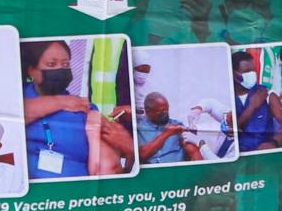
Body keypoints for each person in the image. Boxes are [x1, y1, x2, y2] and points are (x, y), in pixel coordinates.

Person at [22, 38, 131, 178]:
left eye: (65, 64)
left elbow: (108, 169)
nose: (60, 70)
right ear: (31, 71)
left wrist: (93, 135)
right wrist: (62, 102)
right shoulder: (18, 96)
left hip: (77, 196)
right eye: (51, 64)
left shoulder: (85, 109)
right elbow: (12, 115)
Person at [231, 48, 280, 153]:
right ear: (234, 75)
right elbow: (231, 131)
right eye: (246, 71)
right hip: (237, 155)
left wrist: (275, 142)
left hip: (262, 155)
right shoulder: (227, 97)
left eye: (253, 70)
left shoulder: (265, 93)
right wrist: (252, 107)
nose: (252, 74)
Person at [136, 92, 205, 165]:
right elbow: (142, 155)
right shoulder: (138, 128)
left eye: (167, 110)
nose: (165, 114)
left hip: (176, 171)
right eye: (161, 111)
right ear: (148, 111)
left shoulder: (177, 125)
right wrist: (167, 133)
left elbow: (193, 151)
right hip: (152, 173)